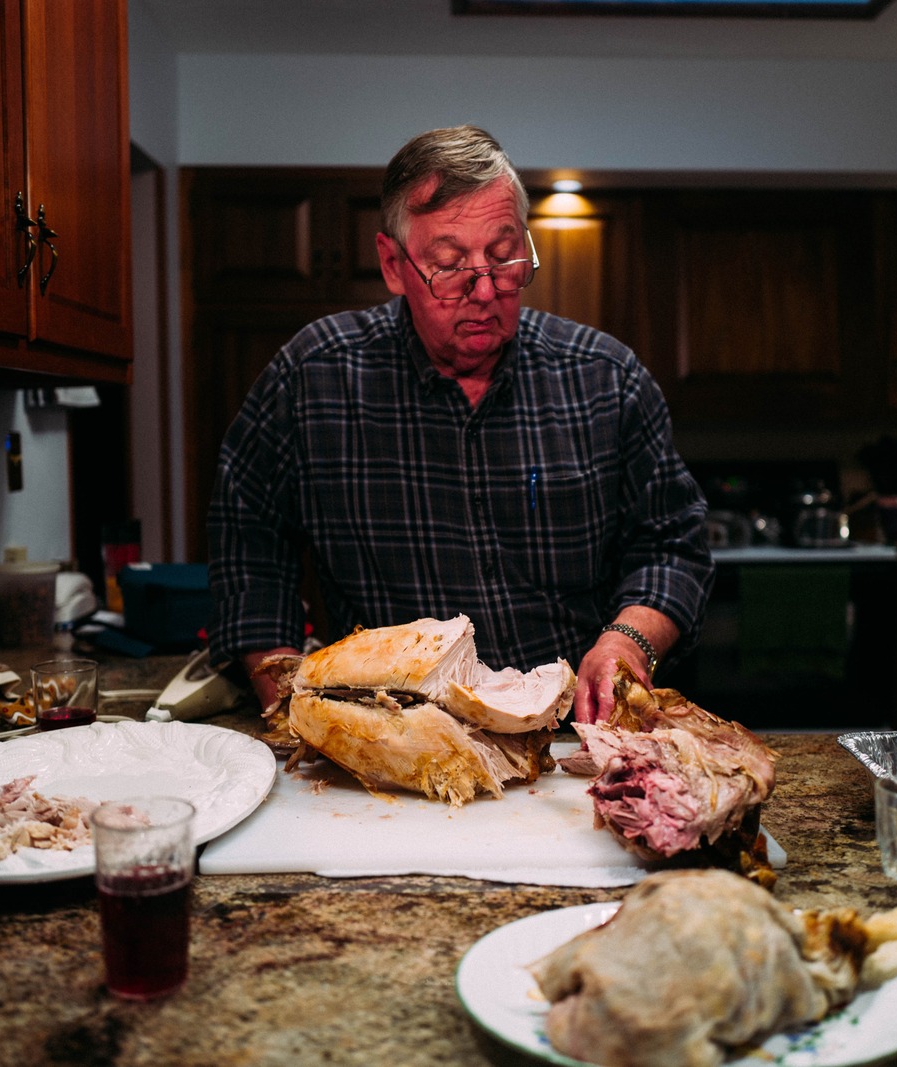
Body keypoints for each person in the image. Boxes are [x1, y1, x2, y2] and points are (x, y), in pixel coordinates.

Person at [205, 125, 713, 723]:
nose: (485, 291)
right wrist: (290, 700)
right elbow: (248, 549)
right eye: (448, 267)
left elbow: (674, 544)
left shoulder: (606, 378)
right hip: (388, 736)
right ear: (393, 264)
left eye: (504, 259)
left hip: (573, 733)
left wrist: (629, 643)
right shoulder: (312, 377)